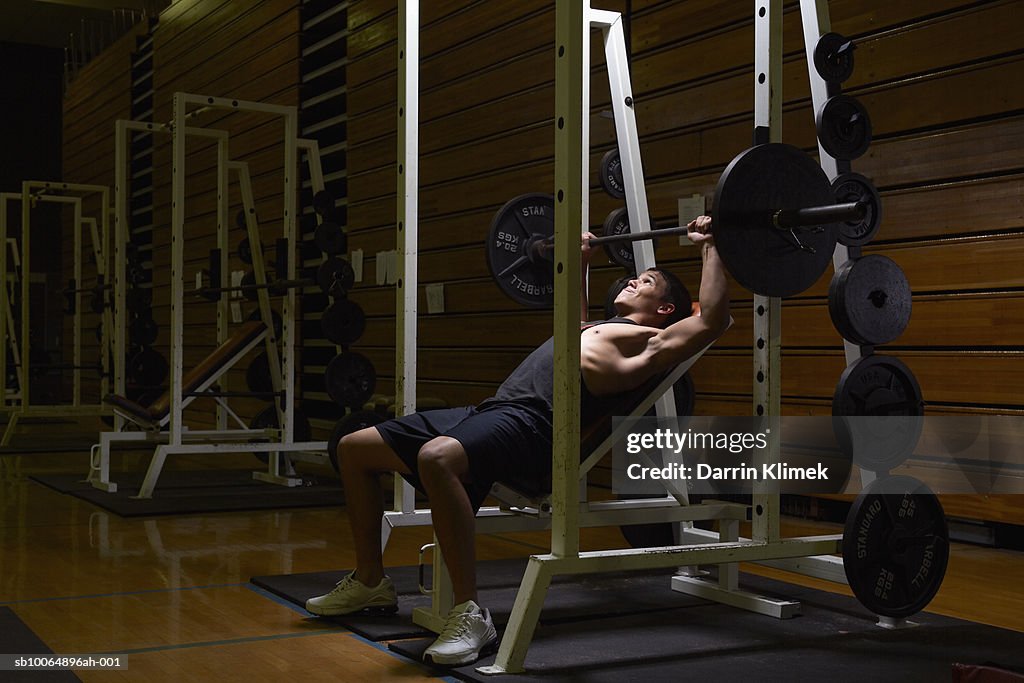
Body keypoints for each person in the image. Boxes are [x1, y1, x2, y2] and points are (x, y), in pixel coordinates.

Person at [305, 215, 729, 666]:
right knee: (354, 447)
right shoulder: (597, 328)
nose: (630, 281)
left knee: (437, 457)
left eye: (644, 281)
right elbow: (574, 320)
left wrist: (711, 244)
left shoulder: (652, 343)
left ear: (665, 310)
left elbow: (712, 321)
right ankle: (371, 580)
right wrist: (580, 264)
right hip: (495, 409)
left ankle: (470, 613)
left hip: (535, 429)